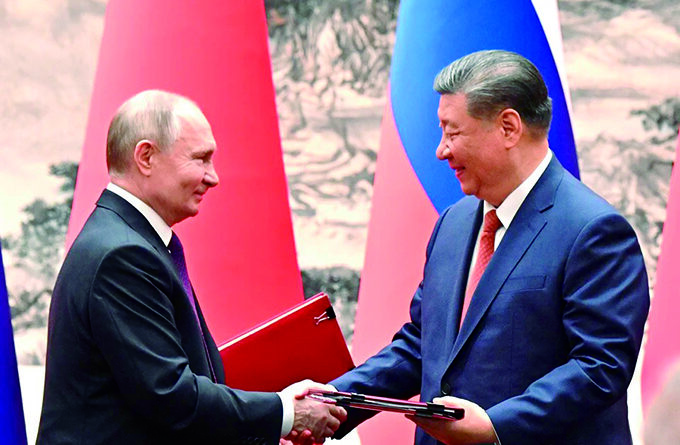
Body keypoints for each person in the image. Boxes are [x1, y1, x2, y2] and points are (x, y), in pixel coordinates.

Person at [330, 50, 650, 444]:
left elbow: (599, 366)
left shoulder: (595, 231)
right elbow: (422, 345)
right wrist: (333, 401)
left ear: (508, 127)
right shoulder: (453, 223)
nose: (441, 150)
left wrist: (495, 427)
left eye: (453, 133)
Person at [37, 90, 346, 445]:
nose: (213, 177)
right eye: (200, 159)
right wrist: (285, 413)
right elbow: (170, 397)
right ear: (146, 157)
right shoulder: (123, 255)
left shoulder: (130, 240)